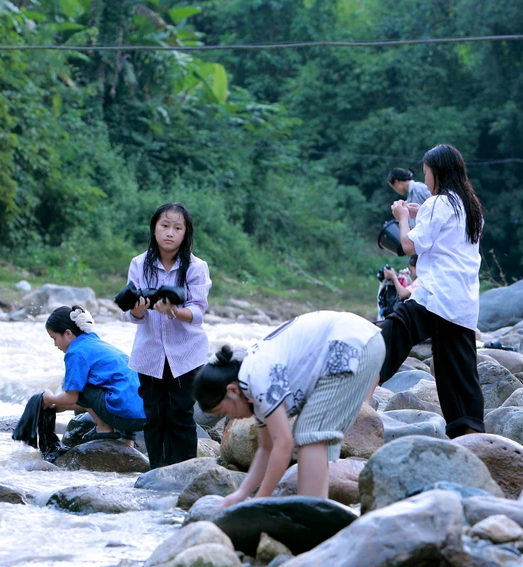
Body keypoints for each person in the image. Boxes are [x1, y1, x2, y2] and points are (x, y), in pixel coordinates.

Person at [194, 311, 385, 506]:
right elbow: (267, 449)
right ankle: (318, 508)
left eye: (224, 411)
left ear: (232, 390)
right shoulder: (252, 390)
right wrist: (241, 493)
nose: (230, 417)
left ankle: (310, 510)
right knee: (315, 437)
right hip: (362, 342)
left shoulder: (258, 375)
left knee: (311, 433)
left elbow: (283, 445)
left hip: (355, 344)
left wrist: (260, 501)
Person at [380, 144, 485, 439]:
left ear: (436, 173)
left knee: (392, 334)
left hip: (435, 295)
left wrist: (403, 216)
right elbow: (443, 236)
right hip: (462, 300)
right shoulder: (470, 207)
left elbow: (409, 245)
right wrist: (419, 212)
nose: (425, 179)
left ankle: (359, 395)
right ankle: (471, 435)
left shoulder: (438, 204)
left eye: (426, 173)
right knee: (460, 370)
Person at [123, 202, 211, 469]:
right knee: (154, 414)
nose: (170, 233)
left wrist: (173, 311)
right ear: (154, 228)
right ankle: (157, 472)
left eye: (177, 227)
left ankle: (183, 472)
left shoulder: (196, 267)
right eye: (164, 226)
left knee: (181, 414)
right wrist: (138, 310)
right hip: (149, 353)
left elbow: (198, 310)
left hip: (186, 353)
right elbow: (130, 313)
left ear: (186, 233)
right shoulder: (139, 264)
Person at [42, 305, 146, 446]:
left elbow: (72, 396)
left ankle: (103, 427)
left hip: (124, 417)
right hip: (145, 416)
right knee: (123, 387)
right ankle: (128, 441)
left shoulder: (75, 352)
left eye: (54, 338)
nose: (55, 344)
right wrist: (65, 406)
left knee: (80, 385)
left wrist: (50, 398)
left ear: (68, 333)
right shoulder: (96, 343)